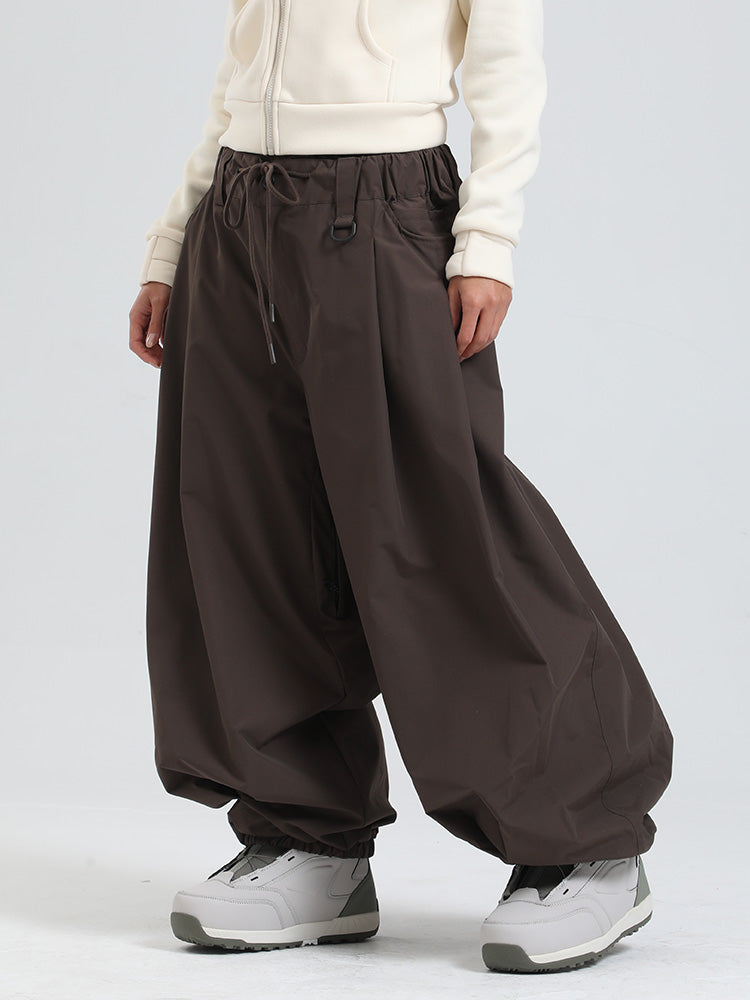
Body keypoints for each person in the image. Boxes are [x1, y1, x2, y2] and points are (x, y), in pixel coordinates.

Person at [128, 0, 674, 974]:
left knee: (439, 527)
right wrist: (175, 238)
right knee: (255, 528)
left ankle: (586, 840)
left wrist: (488, 237)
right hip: (239, 210)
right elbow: (239, 68)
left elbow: (507, 57)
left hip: (382, 204)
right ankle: (308, 837)